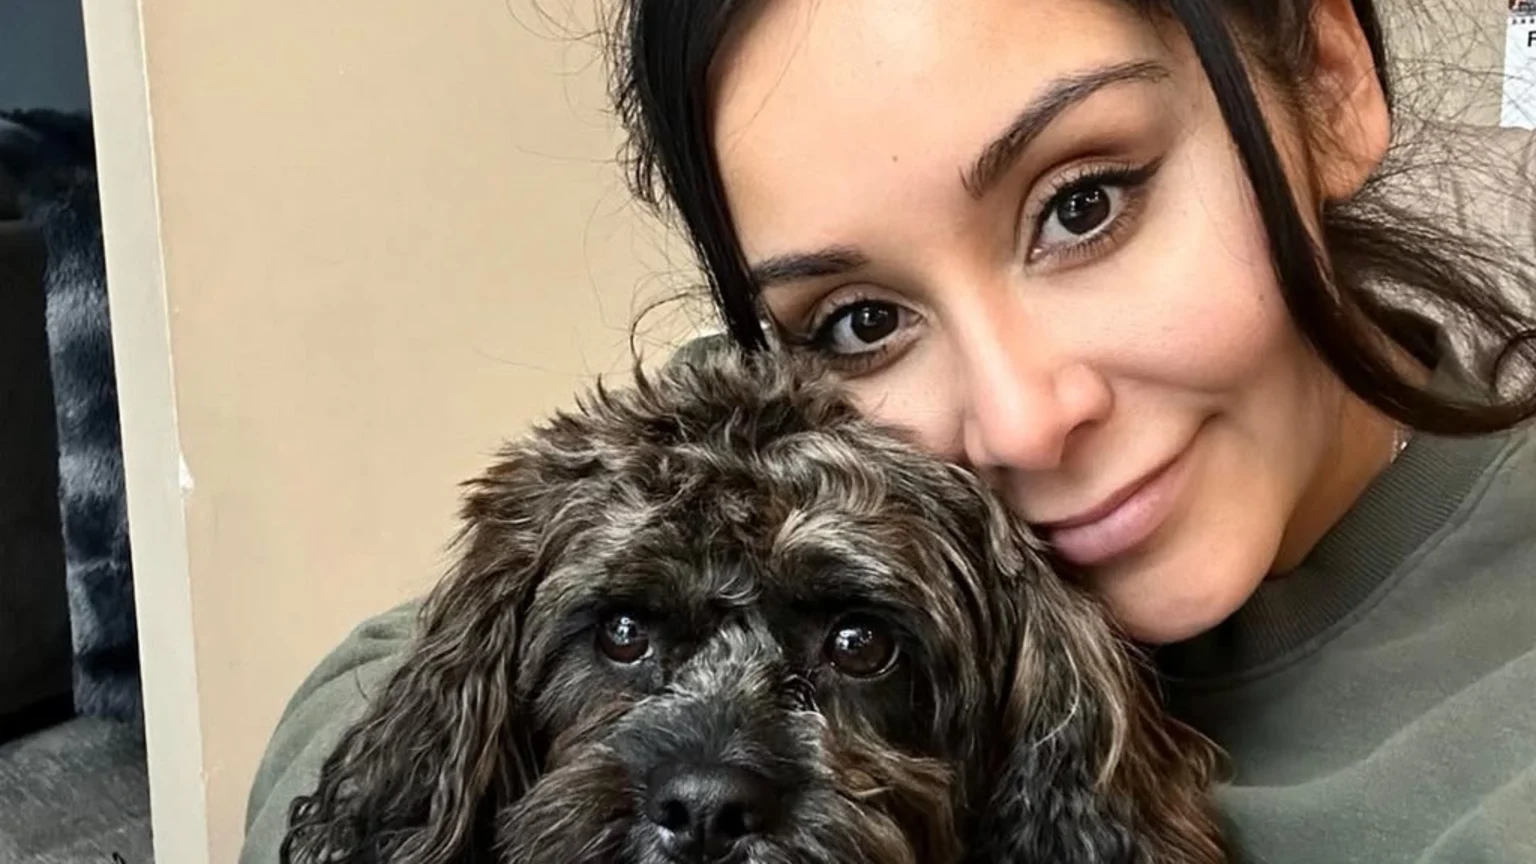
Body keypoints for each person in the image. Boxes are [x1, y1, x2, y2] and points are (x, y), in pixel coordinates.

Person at [241, 0, 1536, 861]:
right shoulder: (804, 451)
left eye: (1085, 205)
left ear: (1328, 80)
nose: (1021, 421)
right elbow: (379, 702)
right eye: (862, 319)